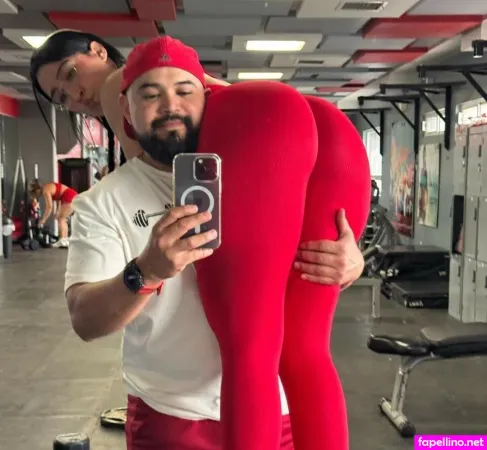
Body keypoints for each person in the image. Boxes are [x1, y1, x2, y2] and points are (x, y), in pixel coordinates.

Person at [62, 35, 370, 450]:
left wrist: (350, 261)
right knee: (264, 352)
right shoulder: (101, 202)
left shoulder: (266, 166)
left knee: (292, 351)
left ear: (209, 98)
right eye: (149, 95)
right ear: (126, 111)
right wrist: (145, 272)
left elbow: (313, 259)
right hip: (172, 417)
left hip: (274, 412)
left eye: (184, 91)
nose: (169, 105)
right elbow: (84, 319)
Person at [29, 29, 365, 288]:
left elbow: (157, 192)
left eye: (70, 73)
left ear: (99, 51)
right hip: (326, 144)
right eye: (61, 97)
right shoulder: (187, 103)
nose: (74, 94)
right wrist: (348, 258)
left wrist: (351, 262)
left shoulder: (116, 89)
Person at [28, 180, 77, 248]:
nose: (36, 196)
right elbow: (58, 196)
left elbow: (49, 207)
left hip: (69, 196)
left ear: (37, 190)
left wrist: (43, 220)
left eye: (35, 193)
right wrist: (58, 210)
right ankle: (65, 241)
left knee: (61, 219)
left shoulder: (45, 190)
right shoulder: (48, 187)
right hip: (71, 195)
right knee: (61, 218)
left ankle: (62, 240)